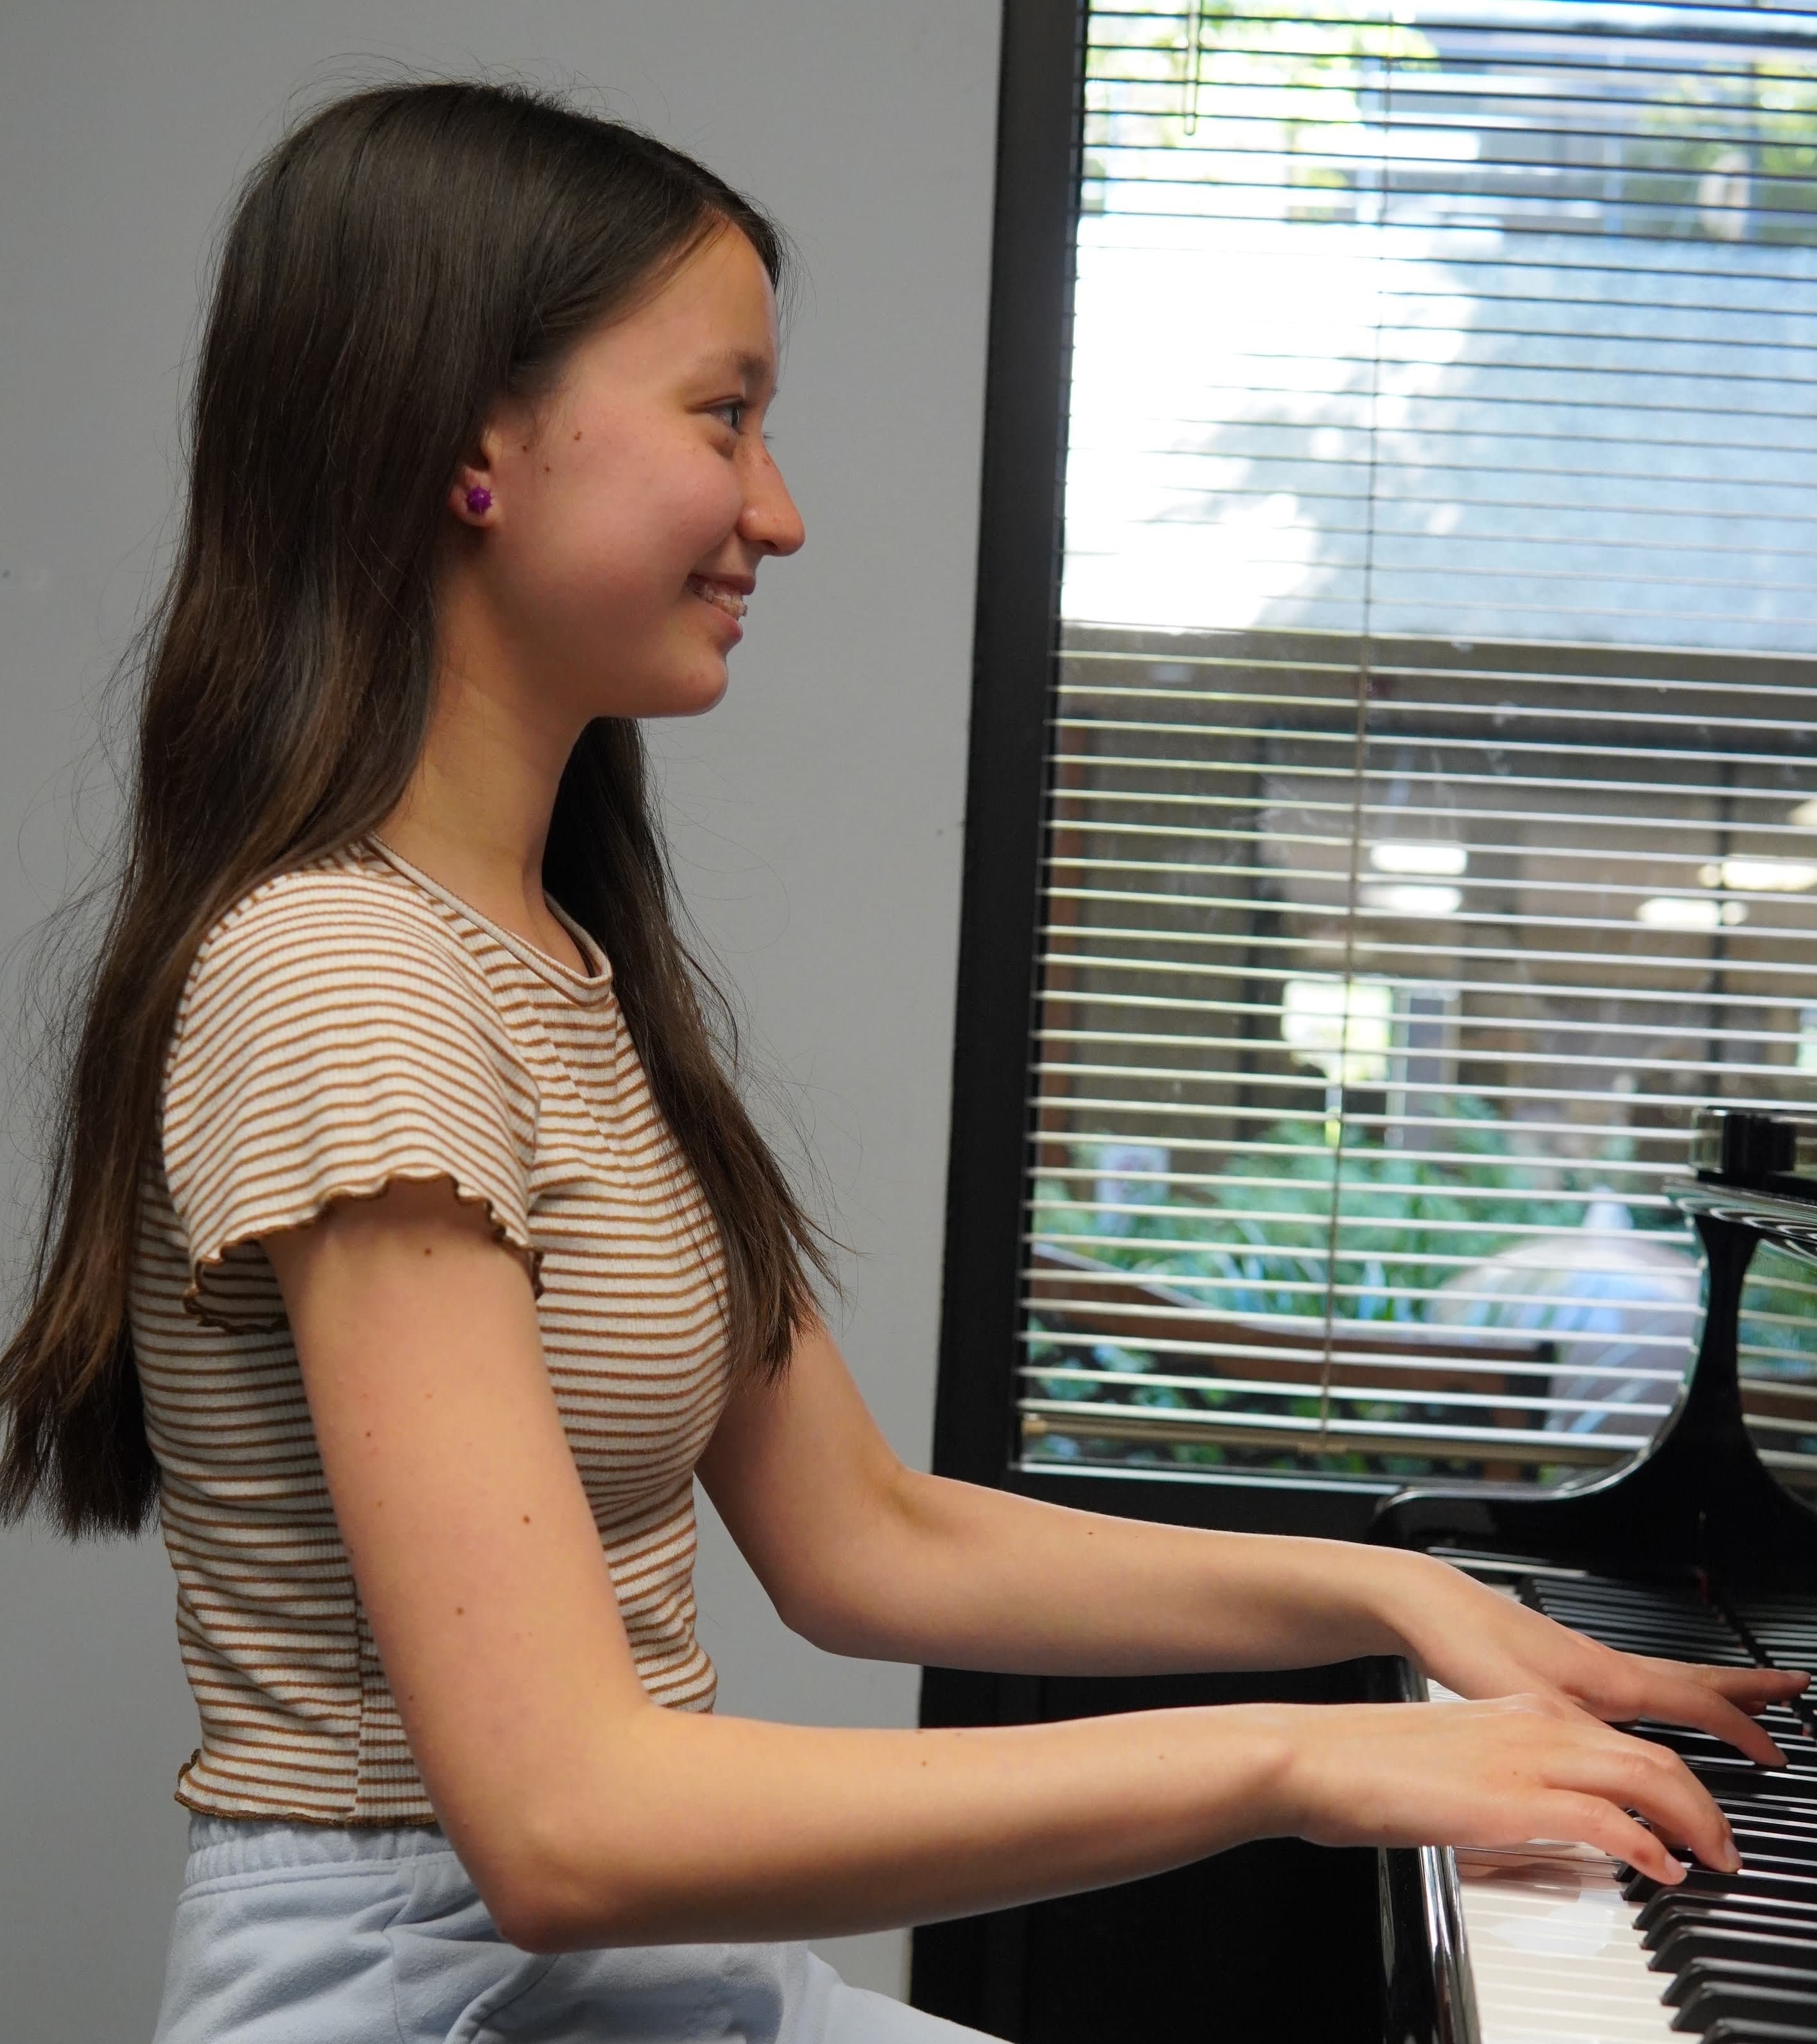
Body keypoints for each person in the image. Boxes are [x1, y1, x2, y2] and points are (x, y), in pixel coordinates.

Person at [0, 76, 1802, 2044]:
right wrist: (1300, 1765)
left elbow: (871, 1537)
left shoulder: (548, 959)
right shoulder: (341, 974)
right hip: (430, 1992)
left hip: (628, 1979)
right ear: (474, 442)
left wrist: (1391, 1601)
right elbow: (564, 1822)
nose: (778, 509)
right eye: (724, 414)